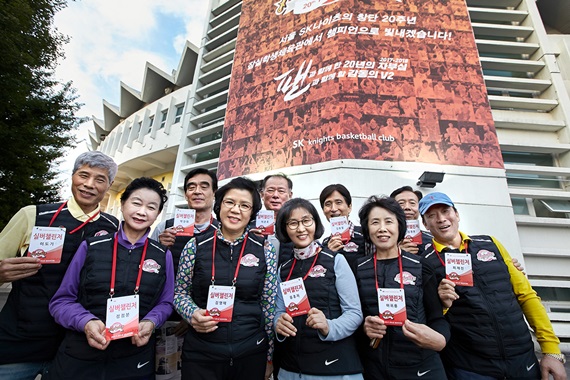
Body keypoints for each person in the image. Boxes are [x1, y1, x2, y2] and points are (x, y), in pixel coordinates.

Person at [419, 192, 567, 380]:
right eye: (431, 216)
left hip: (523, 359)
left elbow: (526, 295)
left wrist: (551, 350)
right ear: (425, 224)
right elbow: (431, 317)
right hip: (470, 368)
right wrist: (442, 303)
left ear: (456, 214)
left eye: (445, 211)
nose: (441, 219)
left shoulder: (491, 244)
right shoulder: (424, 263)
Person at [0, 151, 119, 379]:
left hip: (76, 349)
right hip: (18, 344)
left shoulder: (113, 227)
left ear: (109, 185)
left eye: (99, 179)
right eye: (83, 175)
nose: (89, 184)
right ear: (73, 176)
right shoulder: (33, 215)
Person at [47, 177, 173, 379]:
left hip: (135, 360)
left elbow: (166, 302)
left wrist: (151, 321)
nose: (142, 212)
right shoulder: (91, 246)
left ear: (157, 214)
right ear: (122, 205)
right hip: (79, 357)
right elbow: (61, 301)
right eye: (136, 203)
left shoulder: (162, 254)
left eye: (151, 207)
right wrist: (86, 322)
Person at [174, 177, 277, 380]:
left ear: (252, 213)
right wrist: (192, 313)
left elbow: (269, 304)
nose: (236, 210)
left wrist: (269, 355)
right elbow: (180, 293)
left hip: (251, 351)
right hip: (201, 354)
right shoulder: (195, 246)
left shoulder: (265, 249)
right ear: (219, 205)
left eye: (244, 205)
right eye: (230, 202)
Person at [355, 196, 449, 379]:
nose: (382, 228)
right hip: (375, 368)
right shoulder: (357, 268)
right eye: (375, 222)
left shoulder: (421, 265)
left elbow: (437, 317)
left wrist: (440, 340)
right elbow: (352, 316)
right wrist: (364, 328)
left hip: (421, 366)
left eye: (388, 221)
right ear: (367, 228)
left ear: (399, 226)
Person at [274, 198, 363, 379]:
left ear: (315, 222)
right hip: (291, 368)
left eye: (306, 221)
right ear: (284, 229)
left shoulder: (335, 260)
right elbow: (278, 312)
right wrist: (278, 323)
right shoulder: (283, 269)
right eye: (293, 223)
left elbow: (354, 313)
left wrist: (329, 326)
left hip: (335, 367)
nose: (301, 228)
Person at [319, 184, 367, 271]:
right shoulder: (325, 243)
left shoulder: (365, 234)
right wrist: (329, 254)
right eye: (328, 204)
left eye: (338, 202)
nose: (333, 209)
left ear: (349, 207)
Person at [258, 173, 294, 264]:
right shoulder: (251, 225)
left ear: (290, 195)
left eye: (281, 191)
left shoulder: (297, 225)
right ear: (262, 194)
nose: (275, 195)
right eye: (270, 190)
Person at [389, 186, 433, 256]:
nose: (407, 207)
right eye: (401, 203)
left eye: (412, 203)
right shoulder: (384, 238)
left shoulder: (432, 239)